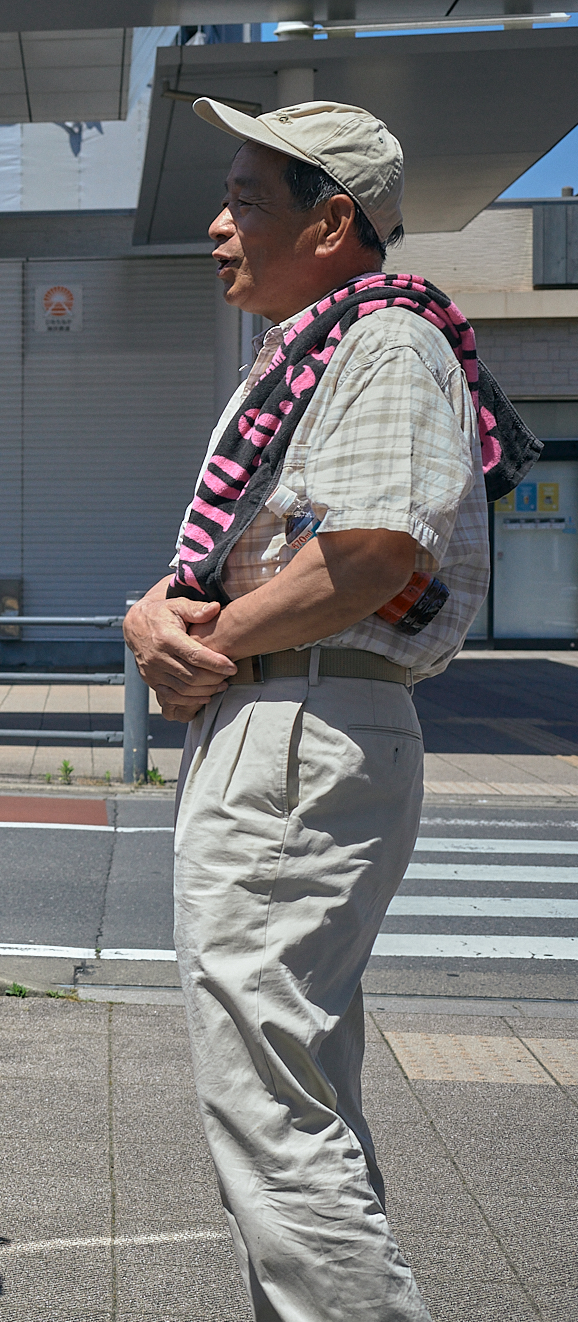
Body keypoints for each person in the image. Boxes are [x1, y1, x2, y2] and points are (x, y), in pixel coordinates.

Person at [124, 99, 534, 1322]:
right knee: (287, 1085)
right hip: (283, 717)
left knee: (267, 1105)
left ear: (332, 221)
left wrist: (203, 643)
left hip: (299, 721)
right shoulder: (323, 343)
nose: (215, 227)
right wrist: (159, 615)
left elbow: (367, 555)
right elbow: (252, 555)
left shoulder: (384, 341)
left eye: (245, 201)